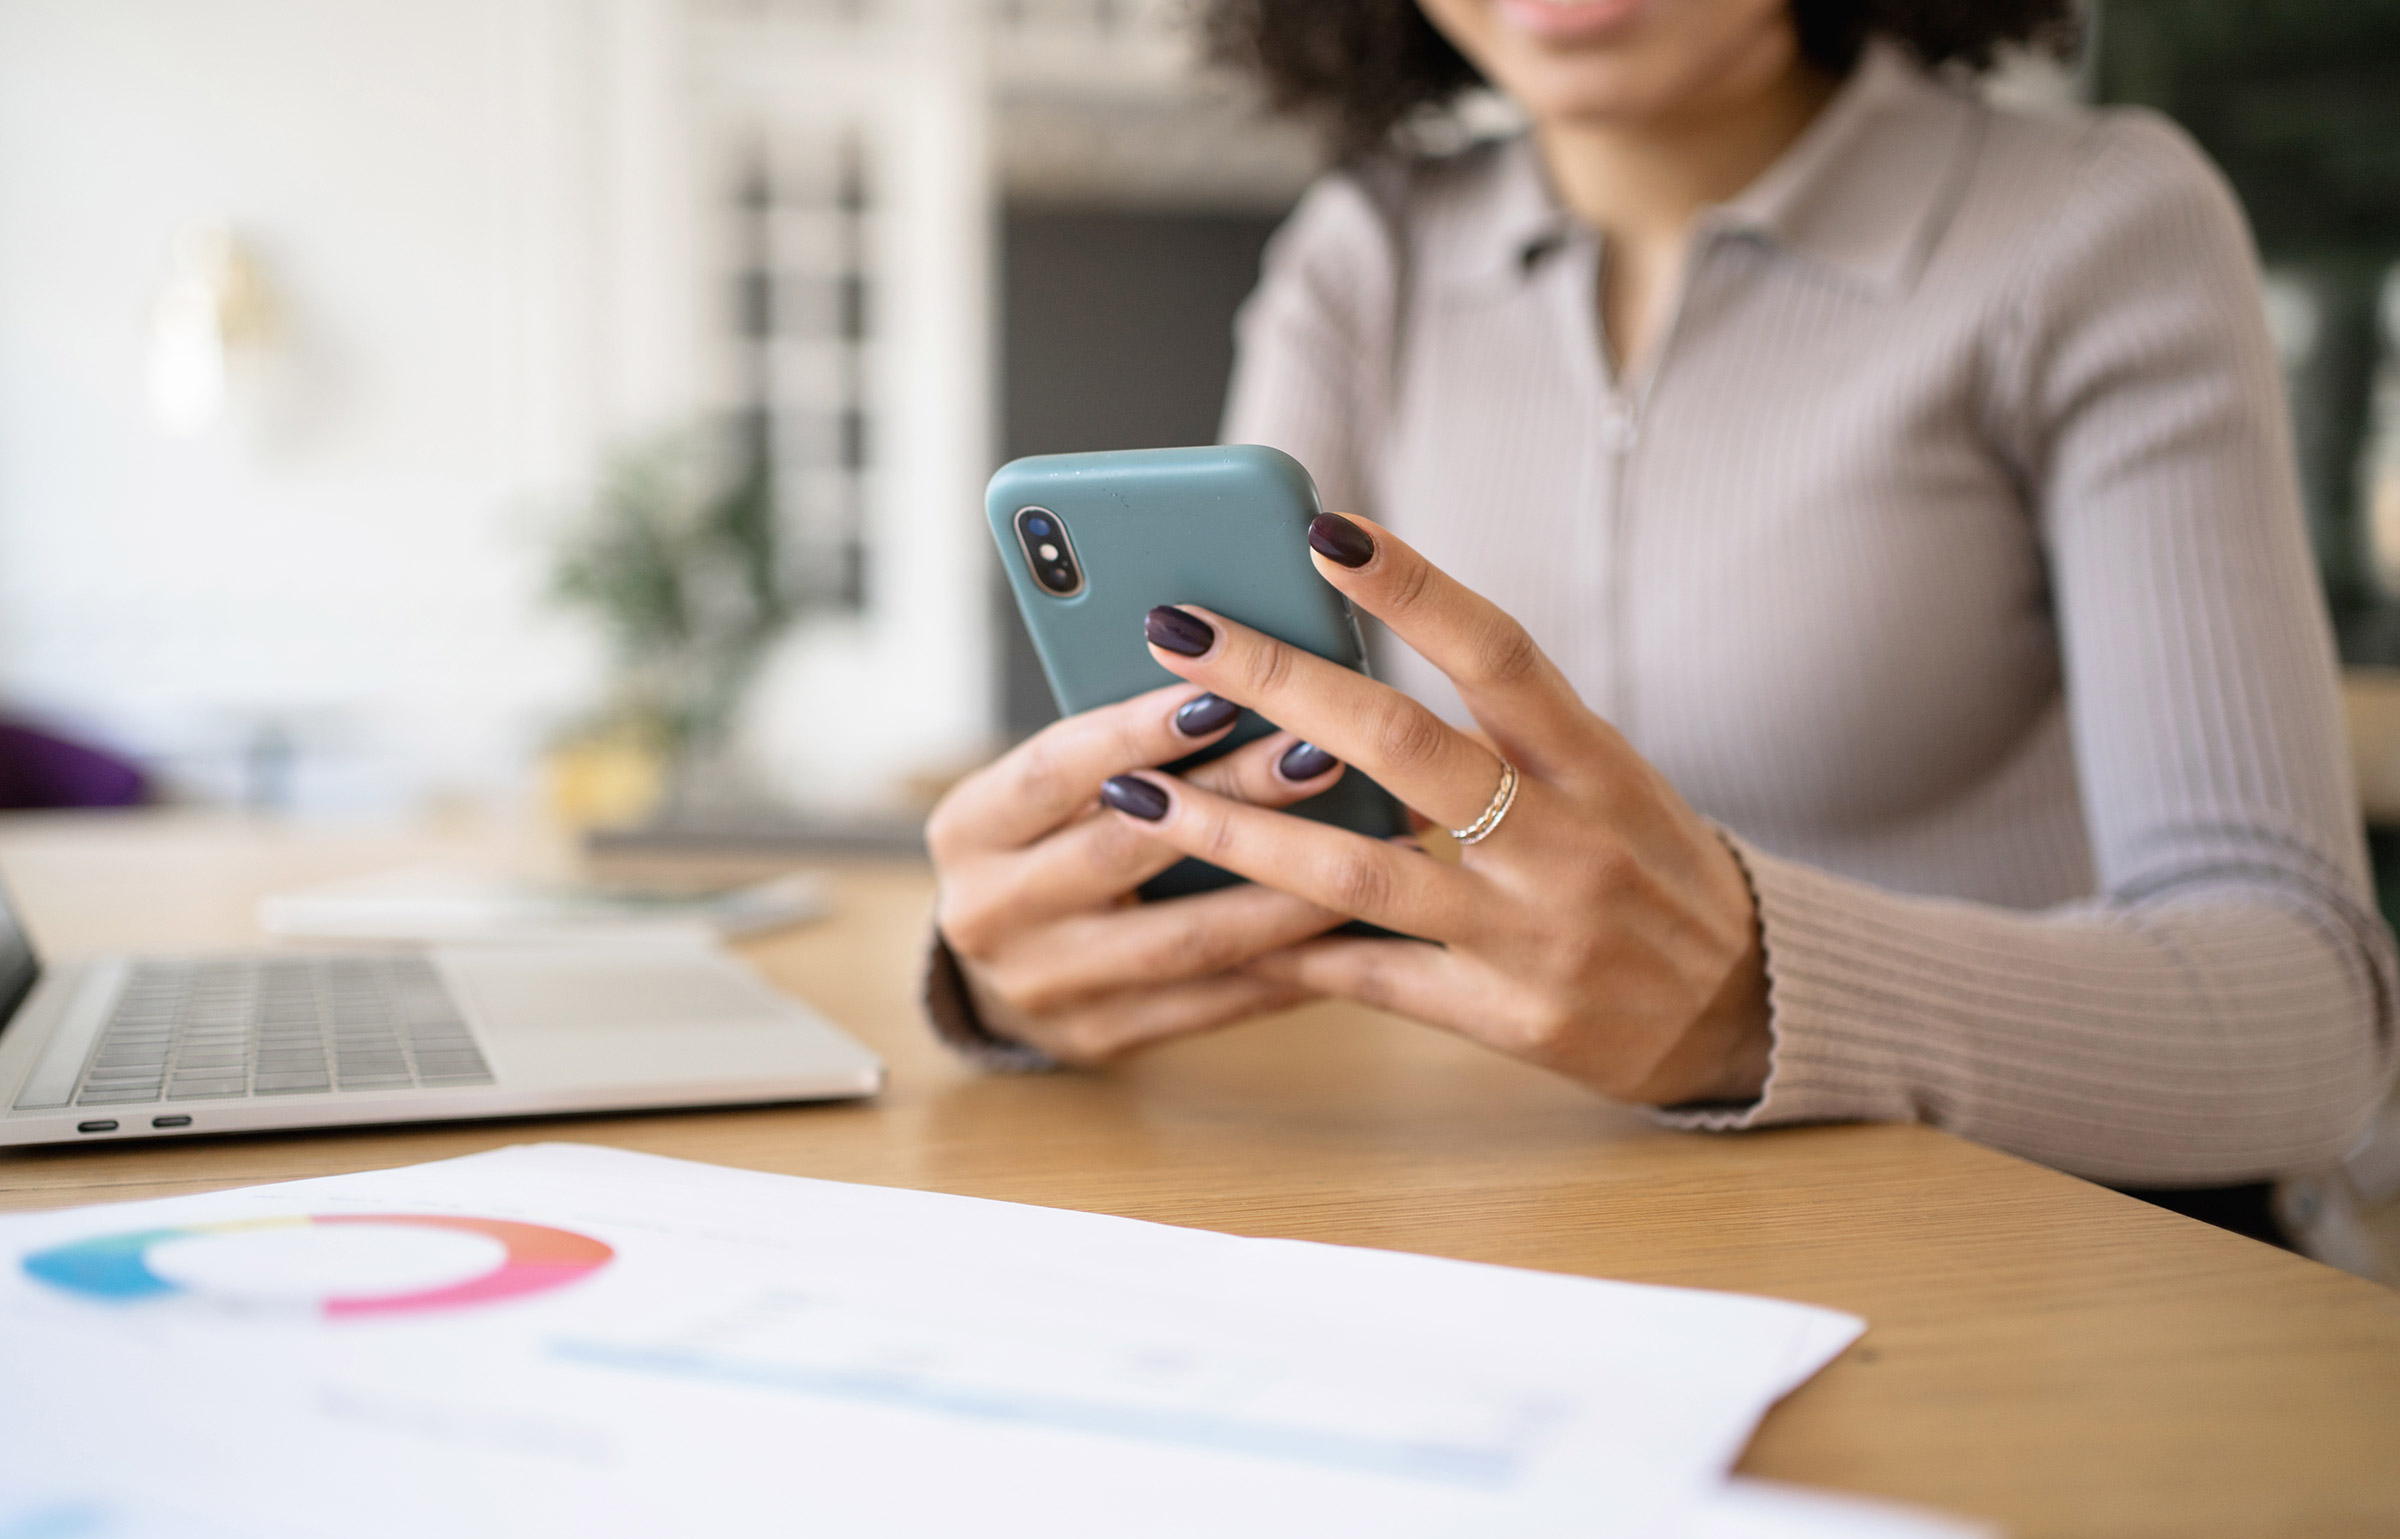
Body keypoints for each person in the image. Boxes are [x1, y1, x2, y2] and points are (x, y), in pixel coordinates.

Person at [923, 0, 2398, 1199]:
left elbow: (2309, 1020)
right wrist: (1049, 959)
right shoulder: (1362, 255)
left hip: (2042, 1251)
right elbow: (1287, 867)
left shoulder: (2089, 226)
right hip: (1551, 1231)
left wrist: (1761, 995)